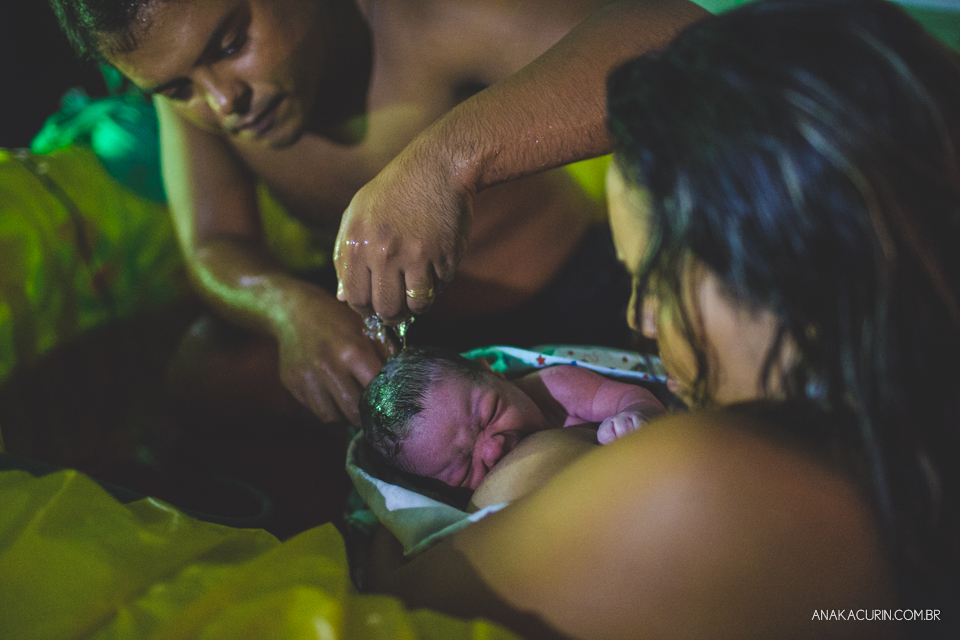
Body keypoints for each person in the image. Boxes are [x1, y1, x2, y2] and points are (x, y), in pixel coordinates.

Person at [360, 1, 960, 638]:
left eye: (654, 279)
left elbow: (397, 590)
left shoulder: (701, 485)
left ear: (780, 269)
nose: (641, 319)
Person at [47, 0, 709, 426]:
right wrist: (287, 310)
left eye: (228, 43)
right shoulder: (199, 94)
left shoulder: (417, 16)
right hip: (394, 346)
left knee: (694, 340)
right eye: (176, 88)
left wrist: (445, 163)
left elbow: (682, 39)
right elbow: (214, 242)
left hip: (568, 301)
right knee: (207, 366)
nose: (223, 104)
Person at [359, 346, 666, 490]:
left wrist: (636, 415)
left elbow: (630, 397)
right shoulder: (458, 502)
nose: (492, 450)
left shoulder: (556, 389)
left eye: (490, 413)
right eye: (462, 470)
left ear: (493, 372)